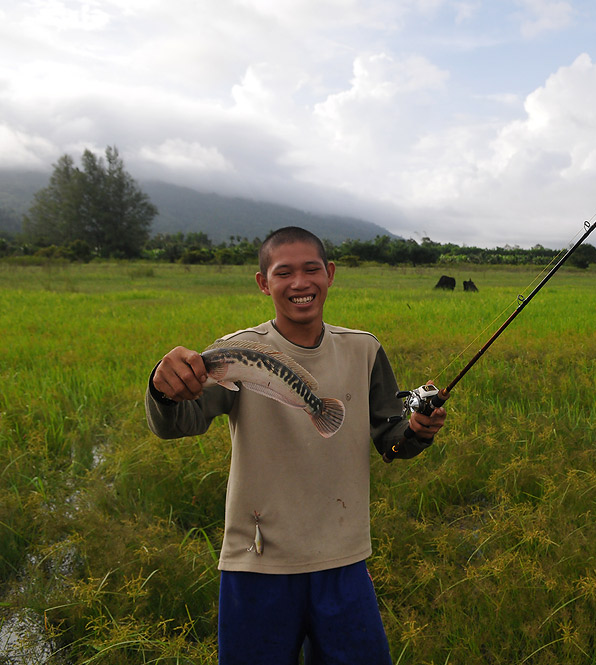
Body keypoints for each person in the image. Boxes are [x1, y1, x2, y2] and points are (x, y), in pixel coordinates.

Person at [145, 226, 446, 664]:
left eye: (311, 270)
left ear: (330, 274)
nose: (301, 283)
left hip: (344, 559)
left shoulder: (363, 349)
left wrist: (417, 431)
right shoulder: (234, 352)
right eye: (284, 273)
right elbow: (178, 423)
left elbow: (390, 439)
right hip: (257, 563)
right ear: (263, 282)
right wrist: (164, 388)